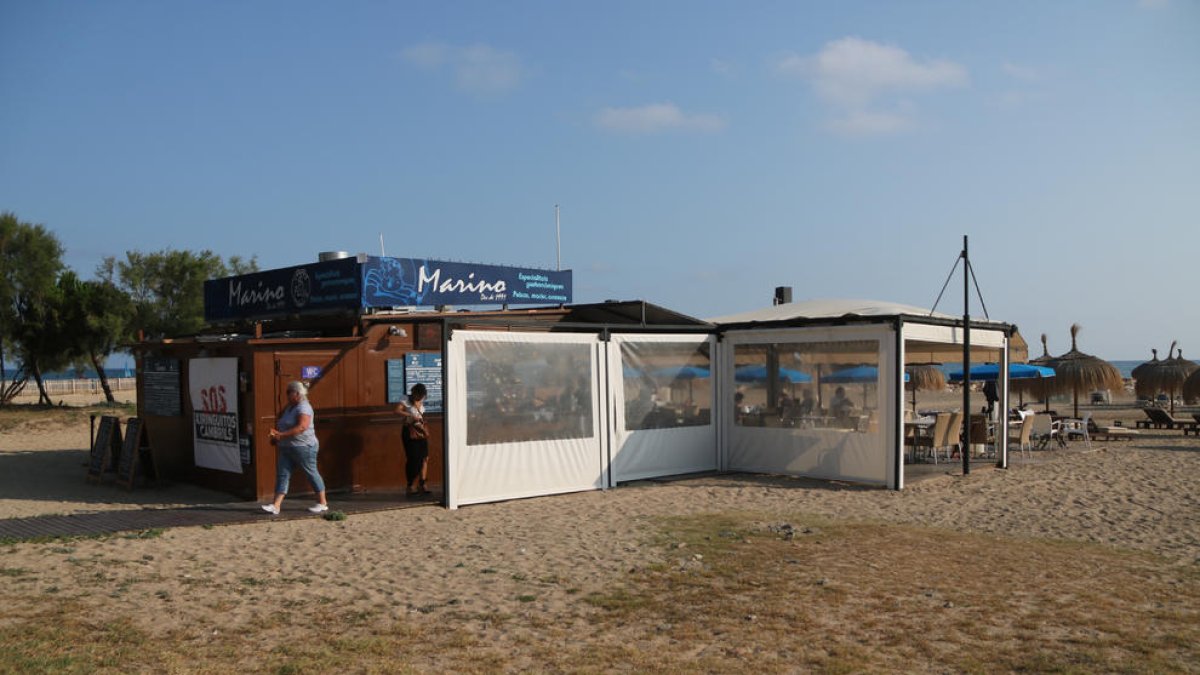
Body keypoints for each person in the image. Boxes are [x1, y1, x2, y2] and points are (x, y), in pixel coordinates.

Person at [262, 381, 328, 515]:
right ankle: (276, 505)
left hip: (304, 447)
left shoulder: (304, 407)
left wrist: (282, 435)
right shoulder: (290, 407)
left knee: (311, 473)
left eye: (289, 392)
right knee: (282, 474)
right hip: (287, 447)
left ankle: (322, 503)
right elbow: (285, 425)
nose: (286, 395)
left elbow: (302, 427)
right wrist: (277, 435)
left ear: (297, 394)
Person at [395, 383, 430, 496]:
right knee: (413, 459)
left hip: (421, 431)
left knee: (425, 457)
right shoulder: (406, 399)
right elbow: (397, 411)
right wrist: (410, 415)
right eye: (417, 395)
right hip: (410, 431)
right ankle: (410, 485)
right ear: (413, 393)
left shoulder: (422, 399)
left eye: (421, 396)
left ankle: (422, 483)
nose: (419, 398)